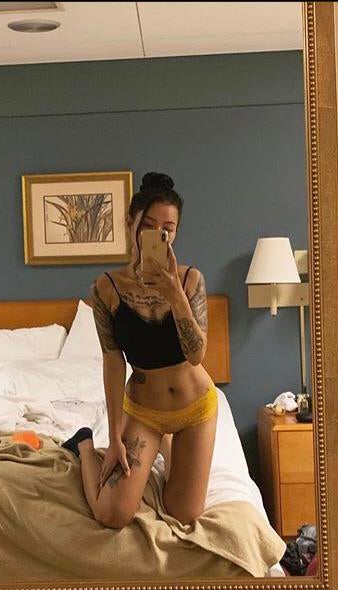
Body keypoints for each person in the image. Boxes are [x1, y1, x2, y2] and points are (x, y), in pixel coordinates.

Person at [61, 172, 217, 528]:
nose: (158, 235)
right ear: (130, 223)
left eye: (168, 229)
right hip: (145, 412)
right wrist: (114, 436)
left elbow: (197, 355)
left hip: (195, 409)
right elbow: (113, 361)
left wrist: (175, 294)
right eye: (148, 225)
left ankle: (167, 446)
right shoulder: (106, 289)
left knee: (184, 514)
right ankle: (83, 444)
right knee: (111, 514)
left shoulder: (191, 280)